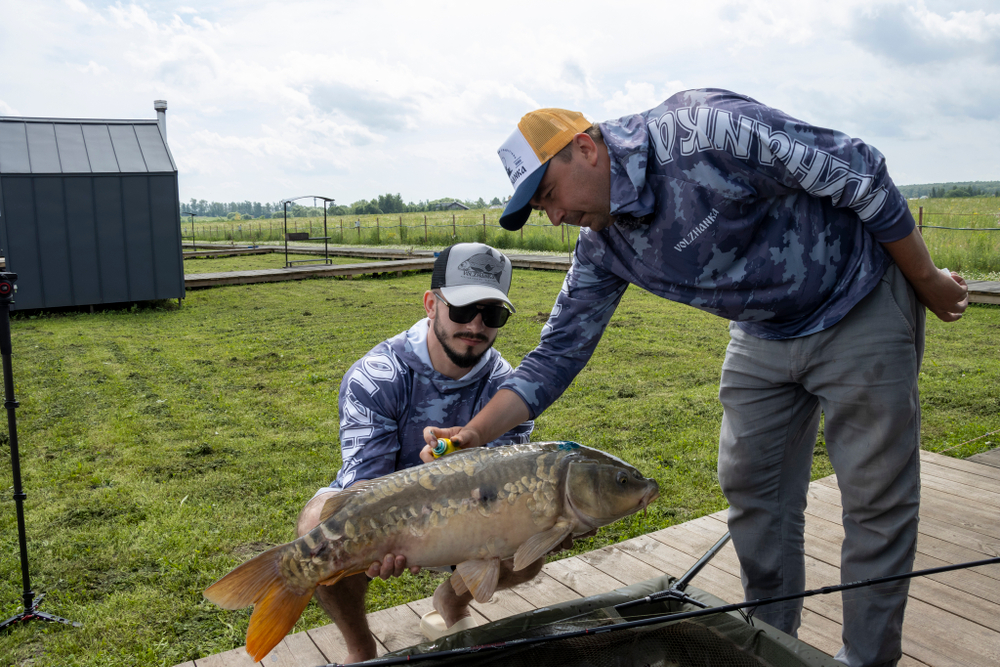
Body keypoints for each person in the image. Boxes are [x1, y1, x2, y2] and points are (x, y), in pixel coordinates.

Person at [422, 91, 969, 667]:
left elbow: (858, 169)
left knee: (875, 501)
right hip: (762, 332)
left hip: (856, 295)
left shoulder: (706, 129)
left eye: (549, 196)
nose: (554, 217)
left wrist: (926, 277)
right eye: (540, 211)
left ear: (584, 149)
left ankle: (866, 659)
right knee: (753, 492)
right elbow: (557, 354)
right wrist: (475, 434)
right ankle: (769, 644)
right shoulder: (602, 244)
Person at [297, 242, 535, 663]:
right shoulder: (377, 375)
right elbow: (362, 488)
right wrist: (398, 529)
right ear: (431, 304)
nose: (476, 326)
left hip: (469, 517)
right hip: (382, 506)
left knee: (530, 544)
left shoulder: (508, 388)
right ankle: (361, 649)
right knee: (318, 528)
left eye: (492, 314)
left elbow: (506, 487)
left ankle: (451, 604)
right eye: (462, 310)